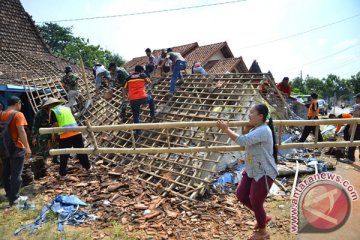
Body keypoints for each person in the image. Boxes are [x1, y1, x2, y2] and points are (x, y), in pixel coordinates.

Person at [217, 104, 278, 240]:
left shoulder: (263, 130)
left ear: (260, 116)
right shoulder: (256, 128)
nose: (249, 115)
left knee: (256, 202)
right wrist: (246, 130)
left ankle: (263, 232)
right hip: (251, 169)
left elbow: (244, 141)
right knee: (241, 194)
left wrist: (226, 129)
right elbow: (248, 138)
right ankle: (263, 216)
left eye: (252, 112)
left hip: (264, 171)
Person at [42, 97, 91, 178]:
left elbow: (55, 125)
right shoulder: (66, 108)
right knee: (81, 151)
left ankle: (62, 173)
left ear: (50, 106)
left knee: (64, 155)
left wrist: (54, 136)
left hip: (65, 134)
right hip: (76, 131)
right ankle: (88, 167)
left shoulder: (53, 111)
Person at [0, 96, 31, 205]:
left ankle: (9, 194)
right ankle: (14, 198)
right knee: (16, 173)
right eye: (20, 104)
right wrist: (27, 147)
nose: (21, 106)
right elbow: (21, 131)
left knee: (5, 172)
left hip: (3, 148)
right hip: (17, 147)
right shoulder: (18, 114)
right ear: (17, 103)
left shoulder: (1, 114)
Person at [122, 65, 156, 135]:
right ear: (141, 70)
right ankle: (152, 115)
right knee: (151, 100)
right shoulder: (142, 75)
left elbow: (124, 88)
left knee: (136, 116)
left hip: (133, 99)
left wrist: (124, 97)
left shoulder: (128, 78)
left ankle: (138, 131)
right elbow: (148, 81)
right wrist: (145, 82)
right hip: (143, 97)